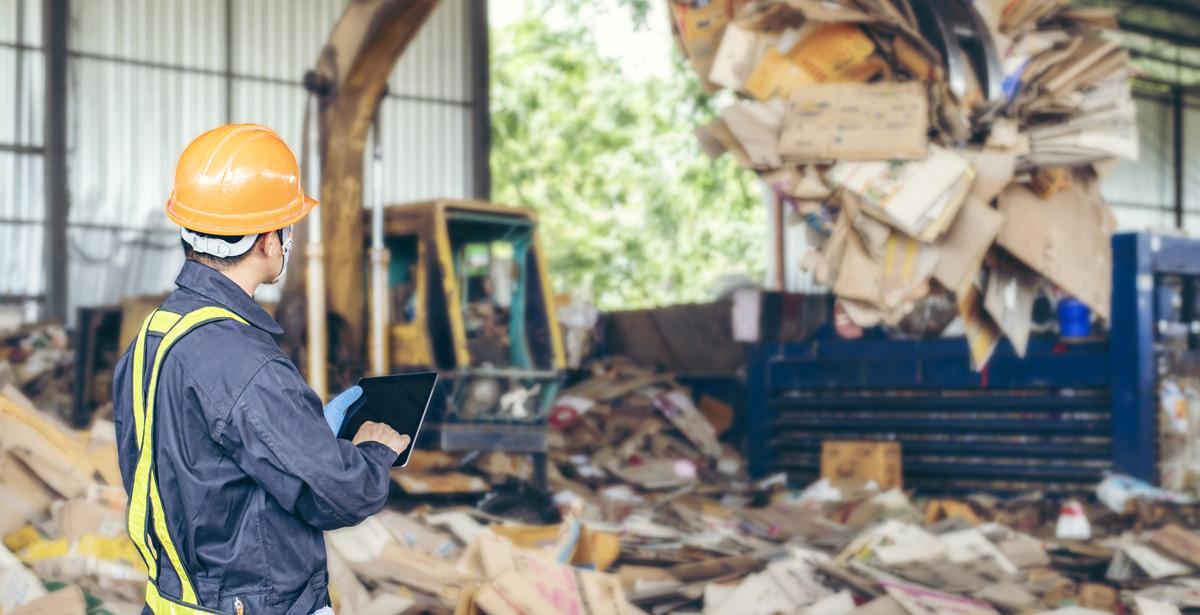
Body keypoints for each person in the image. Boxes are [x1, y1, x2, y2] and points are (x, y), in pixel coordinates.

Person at [112, 123, 409, 615]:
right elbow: (336, 497)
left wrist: (304, 435)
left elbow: (202, 463)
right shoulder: (247, 362)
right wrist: (373, 453)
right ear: (270, 239)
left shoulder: (154, 334)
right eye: (287, 228)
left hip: (175, 601)